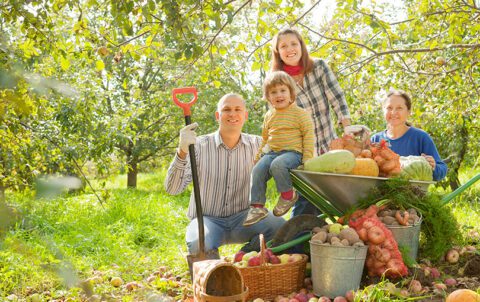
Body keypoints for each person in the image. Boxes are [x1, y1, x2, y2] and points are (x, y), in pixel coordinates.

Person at [164, 93, 285, 259]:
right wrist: (182, 151)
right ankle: (215, 277)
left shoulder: (259, 145)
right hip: (207, 220)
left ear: (245, 115)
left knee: (280, 228)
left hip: (245, 217)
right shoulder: (197, 146)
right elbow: (172, 189)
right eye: (226, 109)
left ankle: (245, 255)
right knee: (199, 243)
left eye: (238, 109)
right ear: (217, 116)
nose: (232, 114)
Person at [270, 28, 352, 216]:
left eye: (293, 44)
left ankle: (342, 230)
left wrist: (347, 130)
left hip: (329, 145)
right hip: (301, 152)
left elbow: (337, 98)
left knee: (339, 195)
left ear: (301, 46)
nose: (290, 49)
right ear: (278, 52)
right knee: (307, 200)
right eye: (283, 46)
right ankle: (297, 239)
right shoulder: (276, 81)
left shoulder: (319, 67)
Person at [243, 71, 314, 226]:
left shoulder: (300, 114)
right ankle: (257, 207)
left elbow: (308, 136)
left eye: (283, 90)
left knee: (278, 165)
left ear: (291, 93)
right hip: (273, 152)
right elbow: (265, 138)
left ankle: (288, 196)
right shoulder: (269, 115)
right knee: (258, 169)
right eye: (273, 92)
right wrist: (259, 155)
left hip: (293, 153)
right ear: (268, 97)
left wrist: (308, 158)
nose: (278, 95)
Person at [371, 89, 447, 181]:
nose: (393, 112)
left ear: (408, 112)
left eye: (399, 108)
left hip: (412, 193)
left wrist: (434, 167)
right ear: (383, 111)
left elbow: (442, 170)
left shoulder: (420, 138)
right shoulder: (375, 139)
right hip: (378, 194)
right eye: (389, 108)